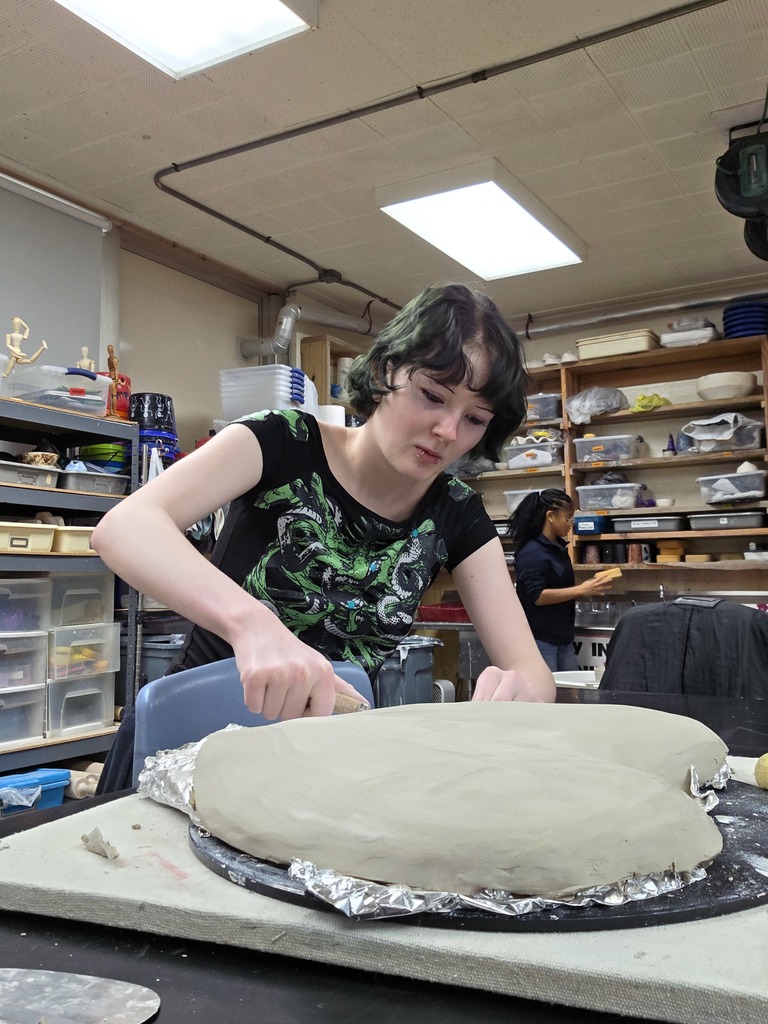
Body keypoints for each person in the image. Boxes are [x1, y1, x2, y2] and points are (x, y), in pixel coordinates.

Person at [91, 283, 556, 781]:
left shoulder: (456, 512)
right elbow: (124, 528)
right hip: (192, 747)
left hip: (326, 765)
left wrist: (518, 692)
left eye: (474, 419)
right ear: (385, 372)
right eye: (432, 396)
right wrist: (254, 626)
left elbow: (534, 676)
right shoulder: (281, 442)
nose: (448, 431)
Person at [507, 489, 612, 672]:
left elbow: (558, 585)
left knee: (568, 694)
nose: (570, 524)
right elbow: (537, 596)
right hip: (540, 641)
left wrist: (587, 586)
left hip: (562, 639)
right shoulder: (533, 553)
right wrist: (580, 590)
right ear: (550, 516)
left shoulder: (556, 548)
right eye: (567, 518)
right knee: (548, 696)